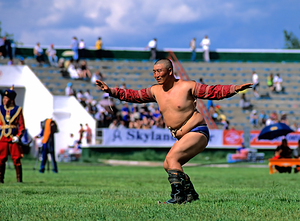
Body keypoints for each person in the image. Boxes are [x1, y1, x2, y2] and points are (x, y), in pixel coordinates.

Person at [96, 58, 252, 204]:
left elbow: (212, 91)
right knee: (167, 164)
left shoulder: (187, 86)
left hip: (197, 131)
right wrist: (112, 91)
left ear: (170, 71)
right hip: (182, 135)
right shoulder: (155, 91)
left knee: (172, 159)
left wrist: (234, 88)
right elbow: (134, 96)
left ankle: (177, 197)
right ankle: (190, 194)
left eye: (159, 71)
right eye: (154, 72)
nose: (156, 75)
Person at [0, 87, 26, 183]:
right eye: (3, 98)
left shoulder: (18, 110)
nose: (4, 100)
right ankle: (0, 179)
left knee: (17, 159)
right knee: (1, 159)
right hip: (2, 137)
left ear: (11, 100)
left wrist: (18, 137)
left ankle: (19, 180)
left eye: (6, 98)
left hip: (13, 137)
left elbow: (22, 127)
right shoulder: (0, 109)